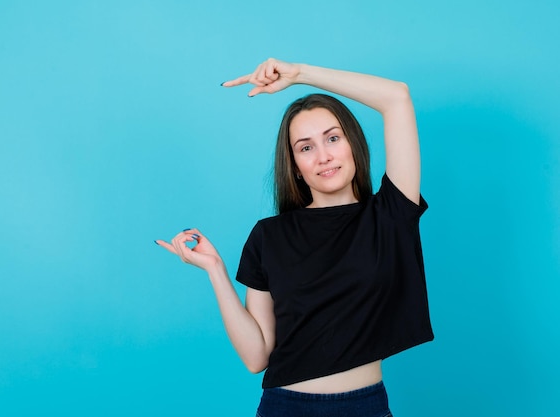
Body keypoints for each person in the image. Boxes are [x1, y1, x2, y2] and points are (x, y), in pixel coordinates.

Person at [155, 58, 433, 417]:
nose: (323, 156)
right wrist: (216, 272)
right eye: (305, 147)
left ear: (353, 145)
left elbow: (397, 97)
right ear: (296, 167)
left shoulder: (390, 215)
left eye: (333, 138)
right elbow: (257, 357)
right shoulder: (269, 236)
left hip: (366, 407)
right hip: (285, 407)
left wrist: (301, 75)